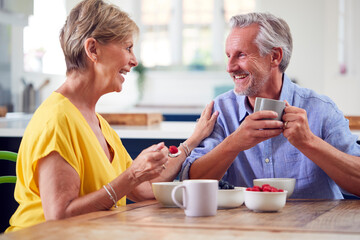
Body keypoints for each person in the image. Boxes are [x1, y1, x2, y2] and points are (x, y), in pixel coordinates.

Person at [6, 0, 218, 232]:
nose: (134, 61)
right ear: (93, 49)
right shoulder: (57, 120)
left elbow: (144, 189)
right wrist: (133, 174)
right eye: (127, 48)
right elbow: (60, 216)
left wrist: (191, 142)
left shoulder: (99, 124)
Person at [180, 12, 360, 199]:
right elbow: (191, 184)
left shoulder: (321, 109)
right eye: (228, 56)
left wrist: (309, 142)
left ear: (274, 56)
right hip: (244, 226)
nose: (230, 67)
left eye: (241, 55)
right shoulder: (221, 112)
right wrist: (234, 143)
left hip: (315, 226)